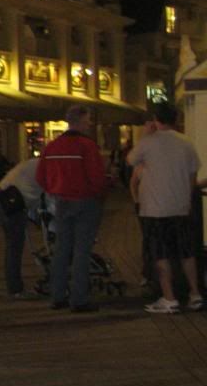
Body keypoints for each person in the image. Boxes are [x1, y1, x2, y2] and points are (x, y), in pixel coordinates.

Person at [127, 103, 204, 313]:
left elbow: (131, 159)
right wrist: (187, 199)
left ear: (155, 120)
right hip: (180, 206)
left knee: (160, 254)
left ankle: (169, 297)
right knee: (186, 252)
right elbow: (192, 175)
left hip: (154, 208)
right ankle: (195, 294)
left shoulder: (148, 143)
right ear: (176, 118)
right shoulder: (186, 142)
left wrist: (145, 134)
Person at [36, 105, 109, 312]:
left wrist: (54, 190)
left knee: (61, 249)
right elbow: (96, 177)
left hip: (61, 201)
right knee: (81, 251)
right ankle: (79, 299)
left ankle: (57, 296)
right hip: (85, 201)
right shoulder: (86, 146)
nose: (90, 124)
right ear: (80, 121)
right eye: (88, 121)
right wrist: (99, 192)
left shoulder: (52, 147)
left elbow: (40, 177)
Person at [0, 159, 43, 300]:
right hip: (12, 198)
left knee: (12, 244)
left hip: (3, 192)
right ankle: (15, 288)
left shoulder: (36, 163)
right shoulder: (46, 167)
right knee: (15, 245)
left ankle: (14, 287)